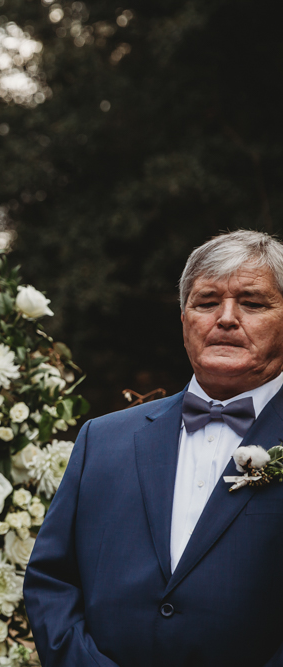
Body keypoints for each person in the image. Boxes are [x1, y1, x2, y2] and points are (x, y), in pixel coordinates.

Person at [25, 230, 283, 667]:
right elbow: (52, 581)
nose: (225, 318)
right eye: (206, 302)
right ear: (184, 320)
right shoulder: (102, 439)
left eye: (252, 303)